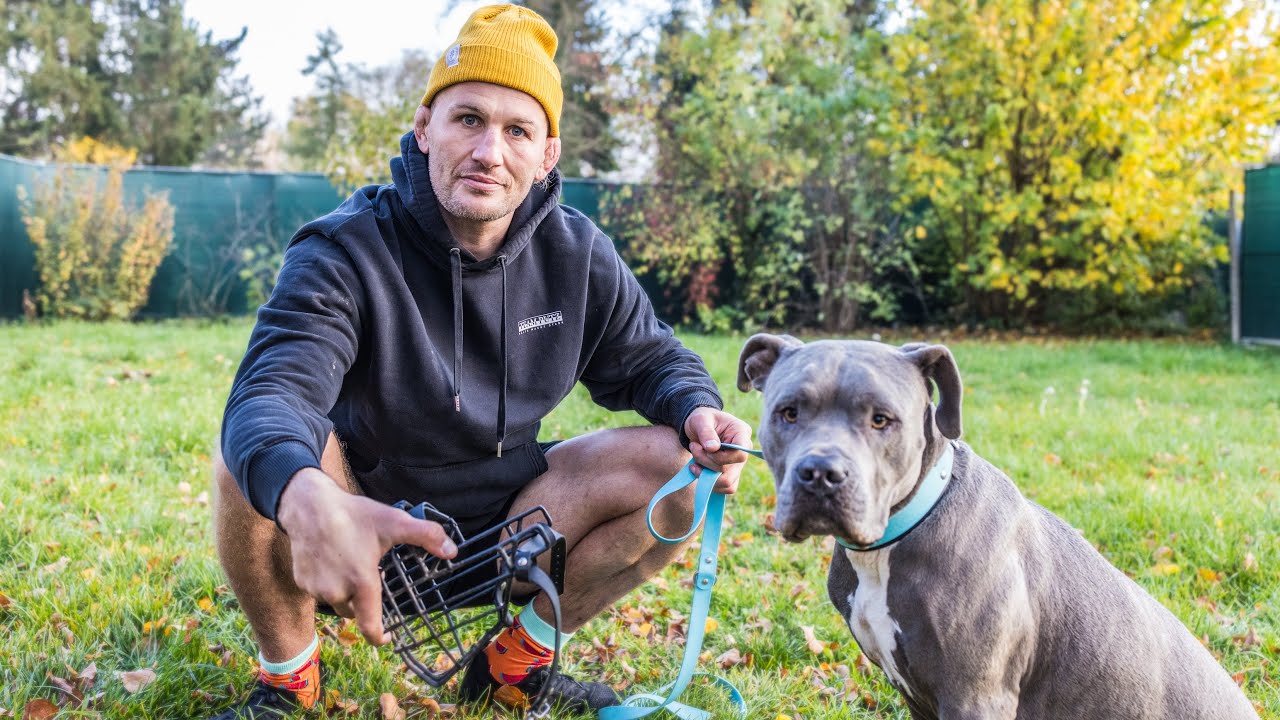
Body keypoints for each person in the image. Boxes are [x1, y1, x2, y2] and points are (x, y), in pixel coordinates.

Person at [209, 5, 752, 718]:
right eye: (468, 118)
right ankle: (287, 677)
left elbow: (651, 359)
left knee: (680, 467)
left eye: (517, 130)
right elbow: (273, 392)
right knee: (249, 456)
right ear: (425, 125)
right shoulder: (344, 250)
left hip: (514, 521)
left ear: (546, 155)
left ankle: (512, 664)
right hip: (360, 512)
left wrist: (697, 408)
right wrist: (308, 496)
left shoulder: (578, 255)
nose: (489, 151)